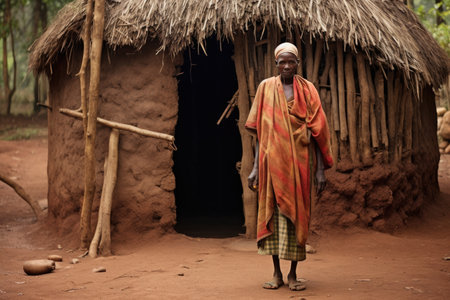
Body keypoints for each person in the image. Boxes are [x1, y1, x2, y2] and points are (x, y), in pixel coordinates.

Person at [245, 42, 333, 291]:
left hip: (300, 164)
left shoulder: (308, 90)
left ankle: (293, 274)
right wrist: (254, 168)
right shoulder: (265, 88)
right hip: (271, 163)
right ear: (276, 64)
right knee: (272, 214)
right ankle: (276, 273)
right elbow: (261, 134)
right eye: (282, 62)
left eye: (290, 61)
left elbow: (317, 132)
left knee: (298, 218)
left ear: (297, 63)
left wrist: (319, 170)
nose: (286, 66)